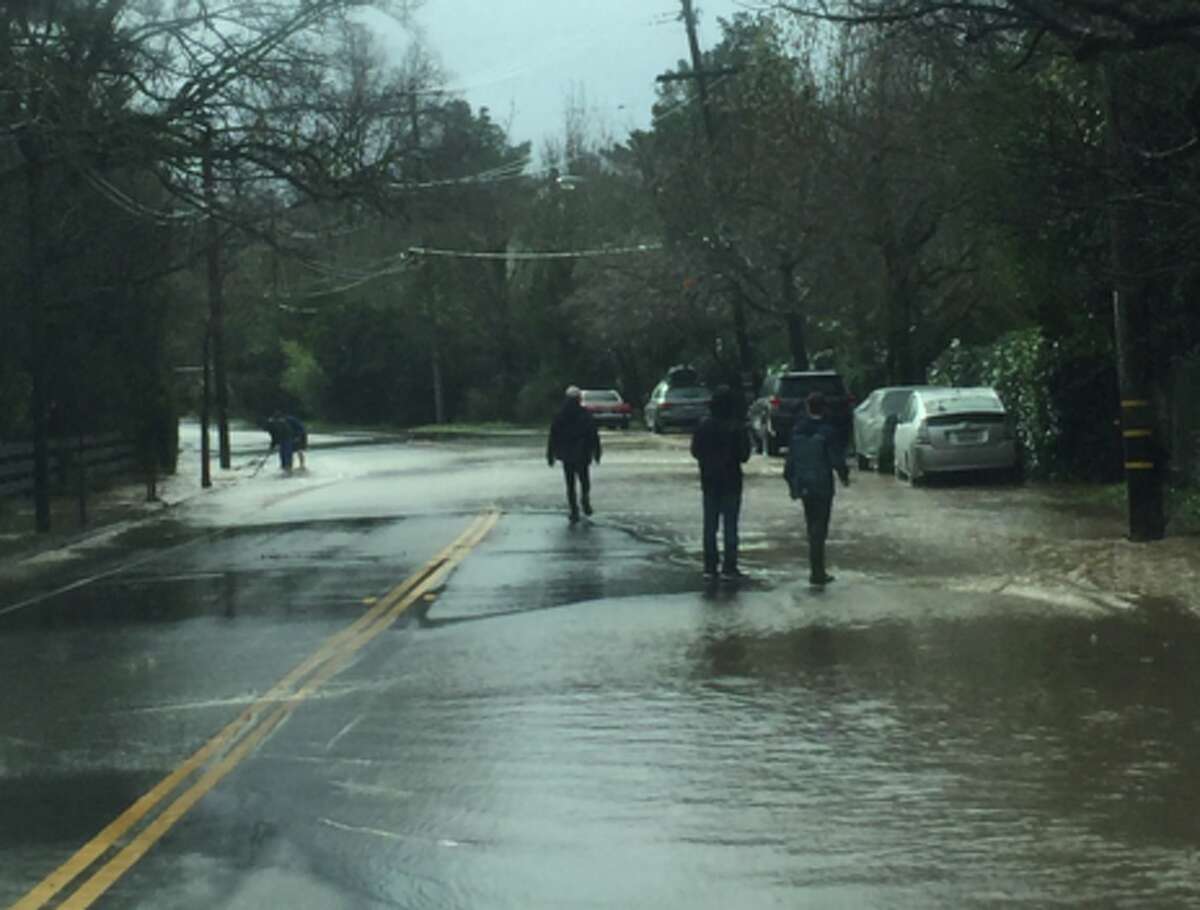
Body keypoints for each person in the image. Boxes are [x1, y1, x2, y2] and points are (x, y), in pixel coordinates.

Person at [784, 391, 850, 586]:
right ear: (824, 408)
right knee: (819, 528)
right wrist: (844, 476)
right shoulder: (828, 431)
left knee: (811, 525)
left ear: (807, 407)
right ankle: (818, 572)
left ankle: (816, 569)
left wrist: (792, 484)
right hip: (822, 485)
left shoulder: (797, 430)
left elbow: (790, 463)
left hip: (804, 484)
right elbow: (836, 459)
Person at [690, 385, 752, 580]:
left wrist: (707, 462)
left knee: (710, 525)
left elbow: (695, 451)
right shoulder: (737, 427)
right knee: (730, 526)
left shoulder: (703, 426)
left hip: (709, 480)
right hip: (732, 481)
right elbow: (744, 456)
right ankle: (729, 566)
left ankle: (710, 566)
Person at [547, 385, 602, 523]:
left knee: (570, 484)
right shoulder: (585, 414)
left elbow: (553, 436)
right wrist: (597, 452)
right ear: (579, 398)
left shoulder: (560, 415)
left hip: (566, 453)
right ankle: (585, 498)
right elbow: (593, 434)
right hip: (582, 452)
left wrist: (550, 454)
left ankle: (574, 511)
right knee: (584, 480)